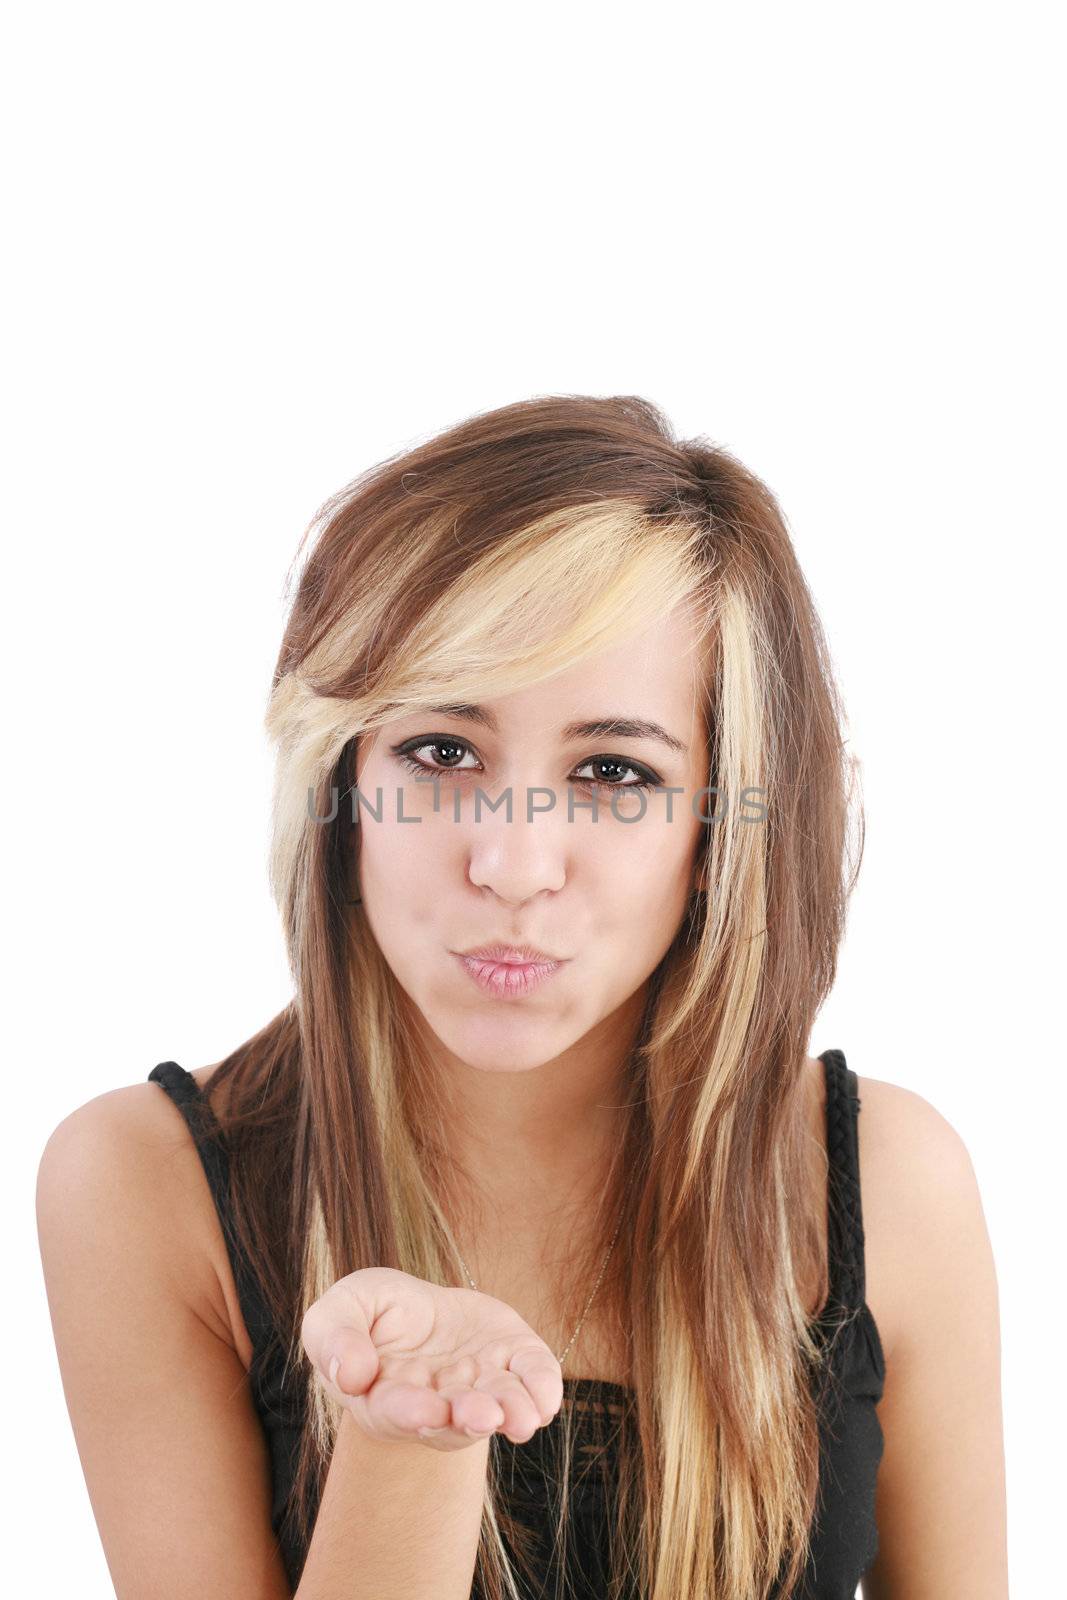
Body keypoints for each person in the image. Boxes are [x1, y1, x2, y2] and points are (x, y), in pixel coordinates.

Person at [36, 394, 1007, 1599]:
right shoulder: (147, 1183)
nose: (509, 866)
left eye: (611, 771)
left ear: (718, 825)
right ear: (341, 778)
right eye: (441, 751)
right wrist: (411, 1439)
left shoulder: (883, 1181)